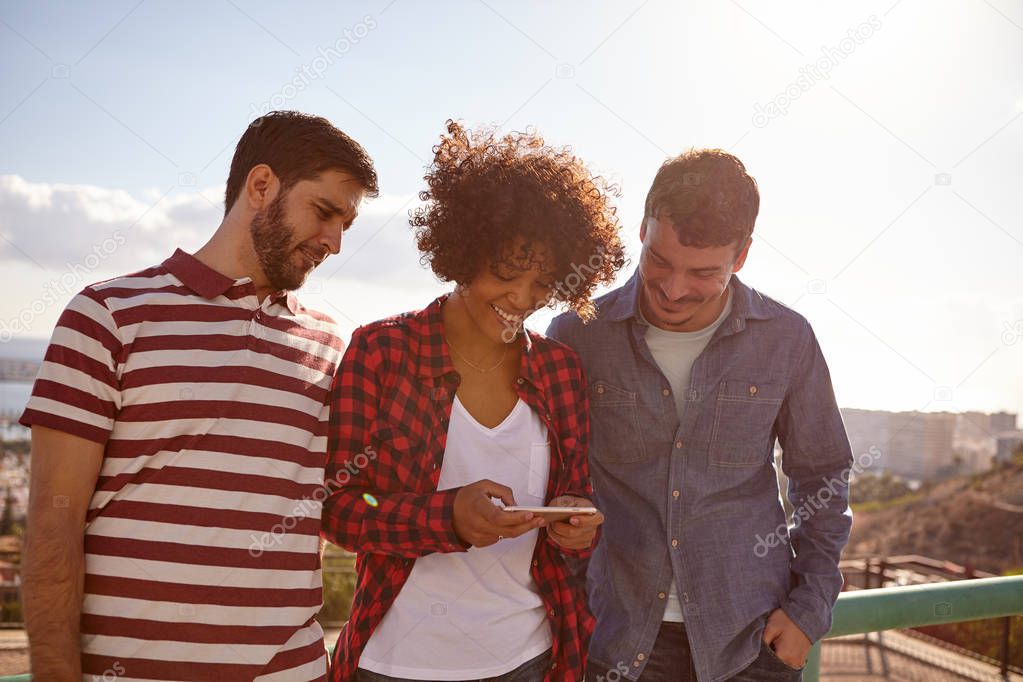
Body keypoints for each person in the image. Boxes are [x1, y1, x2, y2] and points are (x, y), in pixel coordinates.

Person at [20, 110, 377, 681]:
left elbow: (356, 496)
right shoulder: (107, 316)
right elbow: (52, 526)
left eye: (346, 226)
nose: (334, 241)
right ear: (261, 186)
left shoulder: (335, 343)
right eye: (325, 212)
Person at [322, 121, 625, 682]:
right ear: (463, 250)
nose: (522, 299)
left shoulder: (560, 372)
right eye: (508, 272)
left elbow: (573, 499)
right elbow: (342, 508)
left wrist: (576, 525)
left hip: (531, 660)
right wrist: (446, 517)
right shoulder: (382, 350)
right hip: (394, 664)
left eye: (543, 285)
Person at [547, 149, 853, 681]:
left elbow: (823, 475)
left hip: (752, 643)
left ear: (742, 256)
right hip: (617, 640)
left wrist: (808, 609)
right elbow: (553, 476)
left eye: (703, 272)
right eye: (659, 260)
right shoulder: (576, 336)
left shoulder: (787, 339)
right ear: (642, 228)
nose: (673, 289)